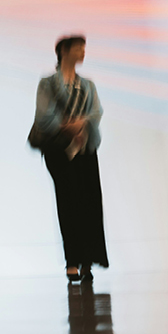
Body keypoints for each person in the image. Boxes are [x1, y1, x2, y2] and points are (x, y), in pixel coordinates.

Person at [34, 35, 109, 281]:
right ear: (64, 50)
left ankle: (88, 261)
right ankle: (72, 262)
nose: (83, 52)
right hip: (59, 151)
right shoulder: (48, 83)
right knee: (68, 203)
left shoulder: (87, 85)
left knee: (90, 203)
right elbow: (45, 115)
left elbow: (96, 111)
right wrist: (66, 125)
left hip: (85, 148)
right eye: (78, 47)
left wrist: (82, 123)